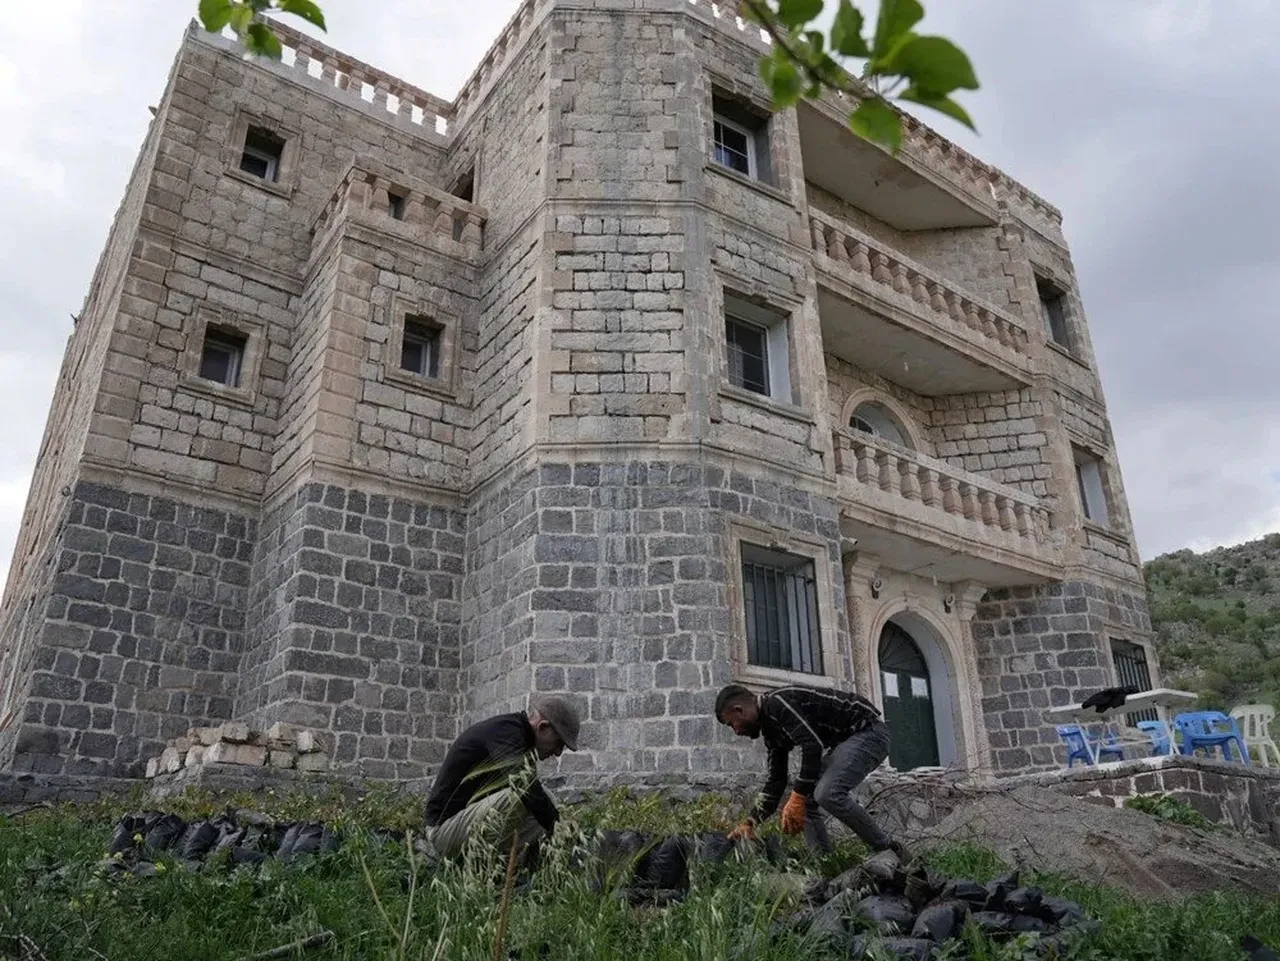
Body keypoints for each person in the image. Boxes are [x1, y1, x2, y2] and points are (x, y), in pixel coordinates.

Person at [714, 683, 904, 858]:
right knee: (806, 801)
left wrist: (797, 796)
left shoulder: (776, 703)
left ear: (739, 710)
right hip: (844, 742)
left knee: (827, 793)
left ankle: (888, 850)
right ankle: (826, 865)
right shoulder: (771, 730)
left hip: (869, 732)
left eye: (731, 724)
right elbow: (776, 781)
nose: (736, 731)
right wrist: (750, 822)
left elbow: (812, 746)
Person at [423, 696, 580, 861]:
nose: (558, 753)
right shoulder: (506, 733)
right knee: (522, 796)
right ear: (543, 727)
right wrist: (561, 830)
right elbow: (525, 789)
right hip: (443, 833)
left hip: (465, 823)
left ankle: (531, 871)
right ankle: (482, 865)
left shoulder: (519, 738)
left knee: (545, 799)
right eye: (559, 743)